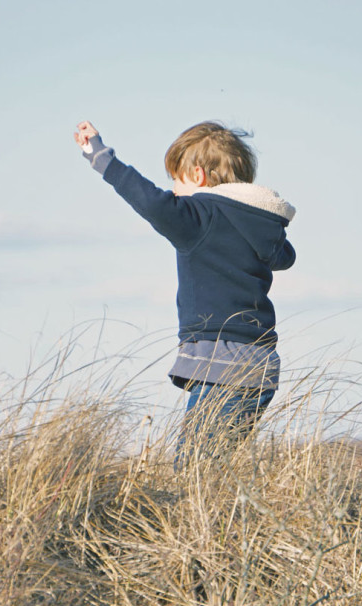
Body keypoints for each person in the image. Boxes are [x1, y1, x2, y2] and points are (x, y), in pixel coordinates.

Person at [74, 120, 296, 468]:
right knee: (216, 471)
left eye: (176, 181)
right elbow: (285, 257)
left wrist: (99, 156)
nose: (173, 191)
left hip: (220, 368)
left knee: (193, 475)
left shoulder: (200, 217)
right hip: (260, 369)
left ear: (198, 175)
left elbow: (149, 200)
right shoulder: (262, 227)